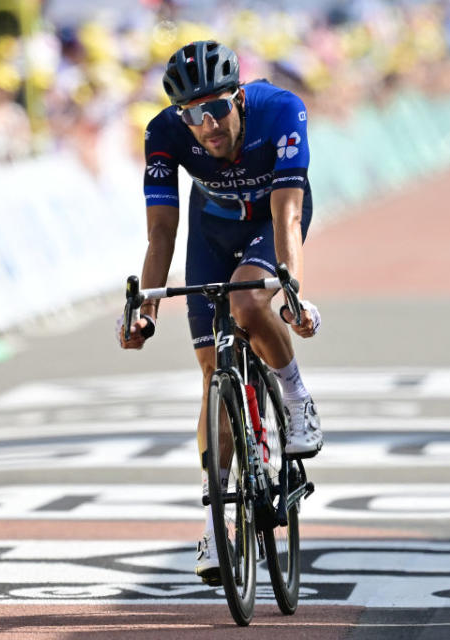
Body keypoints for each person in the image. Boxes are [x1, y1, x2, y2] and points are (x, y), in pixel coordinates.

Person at [117, 40, 323, 584]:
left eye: (216, 107)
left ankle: (296, 394)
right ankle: (216, 521)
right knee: (213, 378)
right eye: (192, 113)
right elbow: (162, 230)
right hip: (211, 231)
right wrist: (148, 311)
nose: (206, 123)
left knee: (249, 299)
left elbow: (288, 208)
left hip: (269, 224)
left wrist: (291, 285)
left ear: (238, 97)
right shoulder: (163, 133)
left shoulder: (281, 110)